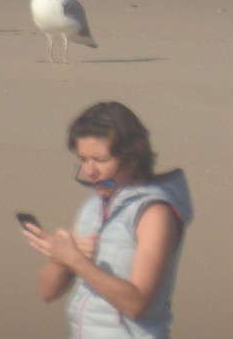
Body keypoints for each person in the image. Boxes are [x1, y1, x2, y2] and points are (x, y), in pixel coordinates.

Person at [22, 101, 193, 339]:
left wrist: (77, 262)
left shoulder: (154, 213)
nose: (90, 171)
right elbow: (46, 292)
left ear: (132, 155)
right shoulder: (93, 205)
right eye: (82, 159)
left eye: (100, 160)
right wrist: (62, 259)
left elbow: (137, 303)